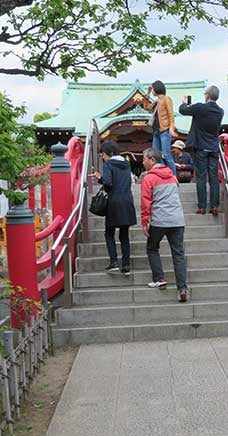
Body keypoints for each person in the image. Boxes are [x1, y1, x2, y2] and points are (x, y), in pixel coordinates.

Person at [140, 148, 189, 302]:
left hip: (159, 220)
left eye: (144, 159)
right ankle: (182, 288)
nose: (142, 162)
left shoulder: (148, 179)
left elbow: (145, 203)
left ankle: (160, 278)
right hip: (177, 219)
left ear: (152, 160)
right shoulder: (172, 176)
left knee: (152, 247)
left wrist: (144, 221)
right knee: (178, 254)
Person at [179, 85, 224, 215]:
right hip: (214, 147)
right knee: (214, 177)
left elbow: (183, 110)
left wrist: (184, 103)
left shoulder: (200, 107)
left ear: (208, 95)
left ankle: (202, 207)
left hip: (201, 147)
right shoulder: (220, 111)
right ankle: (215, 206)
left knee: (201, 177)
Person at [93, 141, 136, 275]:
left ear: (109, 154)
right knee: (124, 235)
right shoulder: (126, 164)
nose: (103, 157)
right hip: (127, 202)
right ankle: (126, 265)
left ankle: (114, 262)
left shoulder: (109, 164)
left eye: (103, 154)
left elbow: (108, 183)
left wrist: (101, 179)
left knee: (109, 233)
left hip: (114, 202)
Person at [143, 80, 177, 176]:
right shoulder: (157, 101)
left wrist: (171, 127)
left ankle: (173, 177)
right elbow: (147, 107)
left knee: (166, 155)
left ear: (157, 88)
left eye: (152, 88)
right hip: (156, 131)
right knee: (156, 156)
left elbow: (171, 114)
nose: (152, 90)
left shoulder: (166, 99)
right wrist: (147, 94)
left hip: (164, 130)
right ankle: (162, 176)